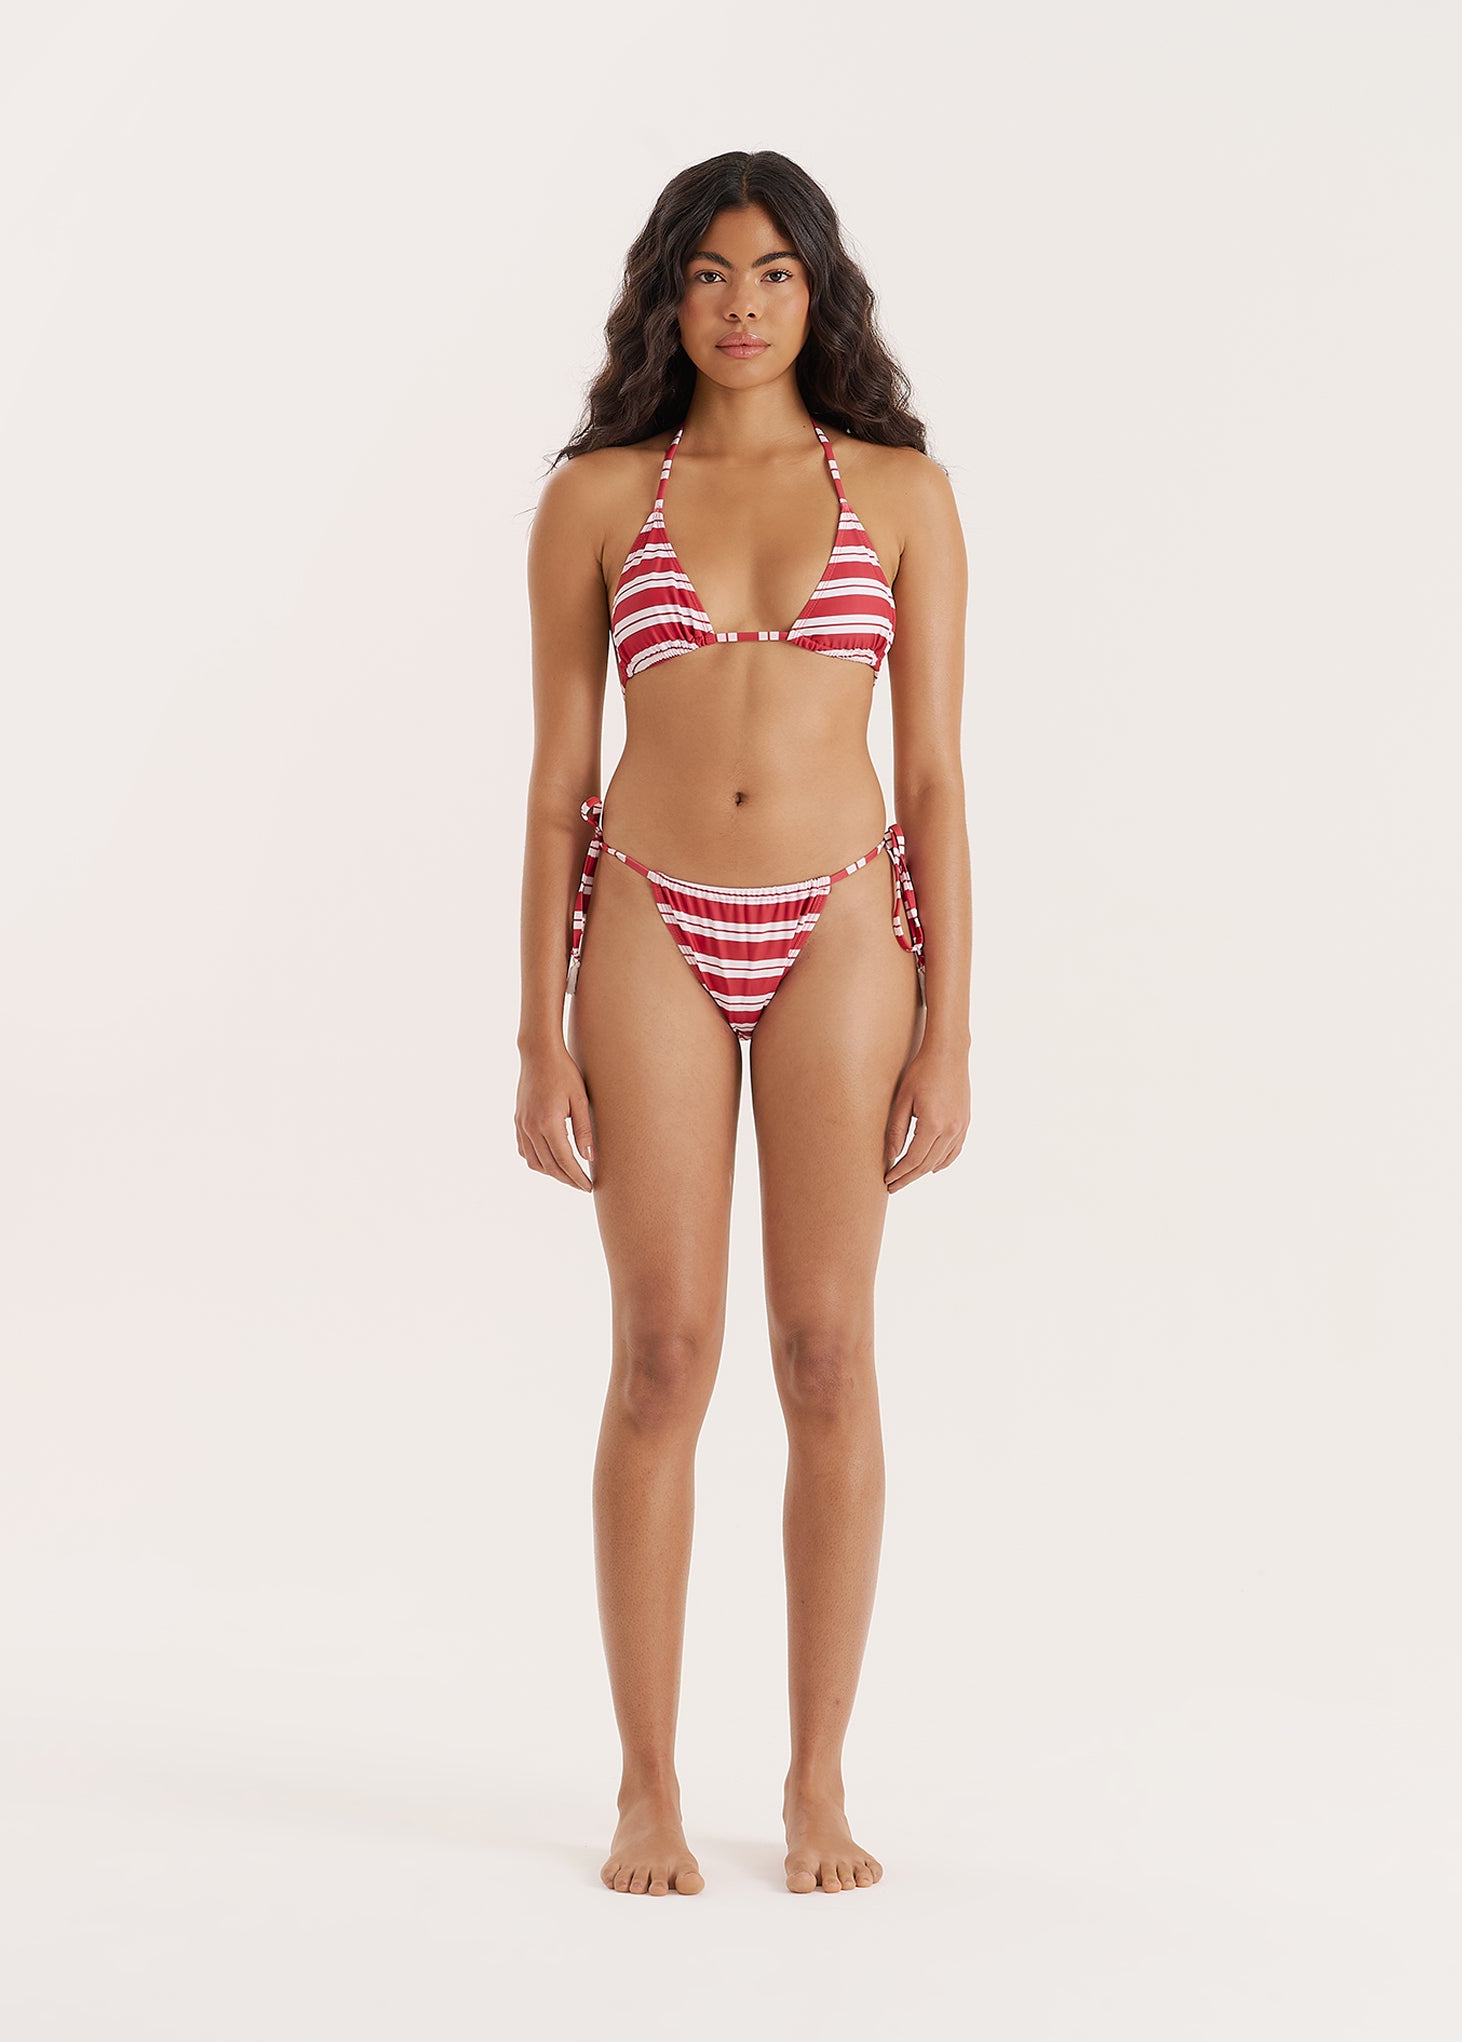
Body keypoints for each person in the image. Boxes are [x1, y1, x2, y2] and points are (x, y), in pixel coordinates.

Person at [516, 150, 972, 1897]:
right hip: (650, 916)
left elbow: (934, 777)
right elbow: (557, 782)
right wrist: (537, 1032)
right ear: (667, 296)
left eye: (775, 272)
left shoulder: (905, 494)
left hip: (843, 922)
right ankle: (646, 1785)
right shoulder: (597, 499)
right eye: (708, 273)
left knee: (826, 1350)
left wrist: (951, 1026)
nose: (742, 304)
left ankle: (816, 1783)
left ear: (818, 292)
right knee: (662, 1351)